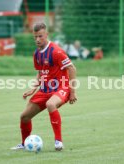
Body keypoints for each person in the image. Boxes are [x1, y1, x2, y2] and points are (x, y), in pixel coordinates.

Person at [11, 22, 77, 151]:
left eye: (40, 36)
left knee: (50, 104)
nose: (37, 40)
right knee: (24, 116)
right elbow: (41, 72)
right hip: (45, 90)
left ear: (46, 35)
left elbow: (72, 68)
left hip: (61, 88)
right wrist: (33, 88)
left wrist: (72, 92)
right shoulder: (37, 54)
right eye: (35, 37)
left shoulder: (56, 51)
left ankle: (58, 141)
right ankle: (24, 144)